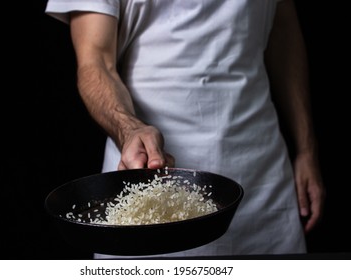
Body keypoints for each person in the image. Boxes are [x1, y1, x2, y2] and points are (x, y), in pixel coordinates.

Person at [45, 0, 325, 257]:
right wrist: (129, 129)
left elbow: (284, 29)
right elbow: (95, 62)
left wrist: (306, 150)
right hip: (149, 188)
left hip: (262, 179)